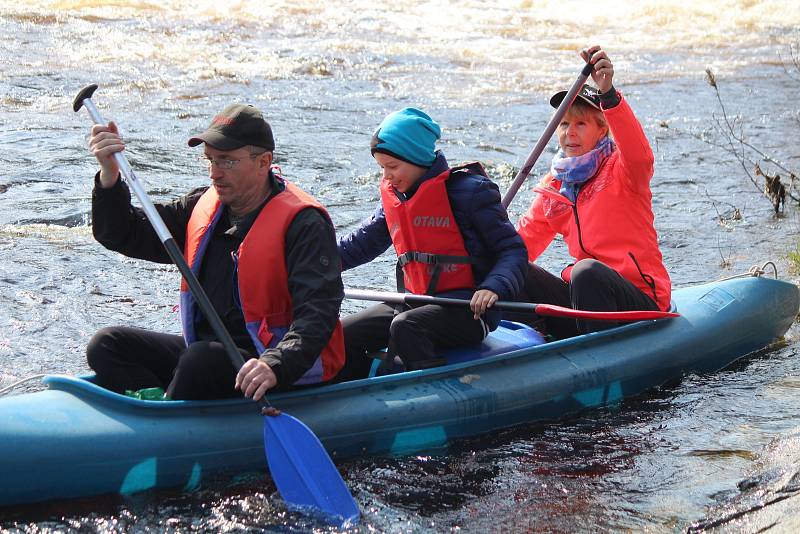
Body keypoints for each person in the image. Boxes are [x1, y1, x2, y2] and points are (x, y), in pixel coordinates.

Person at [85, 103, 345, 400]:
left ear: (264, 162)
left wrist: (276, 363)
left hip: (272, 362)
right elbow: (121, 233)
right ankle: (158, 403)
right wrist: (109, 175)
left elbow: (318, 312)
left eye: (227, 161)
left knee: (199, 360)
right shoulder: (203, 206)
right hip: (210, 352)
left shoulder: (304, 223)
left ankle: (169, 416)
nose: (214, 173)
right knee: (106, 345)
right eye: (209, 160)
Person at [336, 107, 528, 379]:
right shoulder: (396, 198)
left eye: (392, 166)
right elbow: (360, 244)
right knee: (343, 335)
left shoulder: (471, 192)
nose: (387, 176)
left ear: (417, 159)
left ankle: (439, 388)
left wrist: (493, 288)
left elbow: (513, 250)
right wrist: (314, 264)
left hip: (471, 309)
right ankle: (353, 395)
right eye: (382, 168)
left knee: (406, 326)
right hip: (417, 300)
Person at [515, 45, 671, 339]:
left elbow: (639, 155)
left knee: (585, 272)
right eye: (563, 124)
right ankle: (529, 348)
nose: (569, 132)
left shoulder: (623, 170)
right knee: (514, 267)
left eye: (580, 123)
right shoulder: (555, 186)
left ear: (602, 129)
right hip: (587, 303)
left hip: (638, 301)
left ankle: (598, 359)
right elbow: (523, 241)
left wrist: (608, 94)